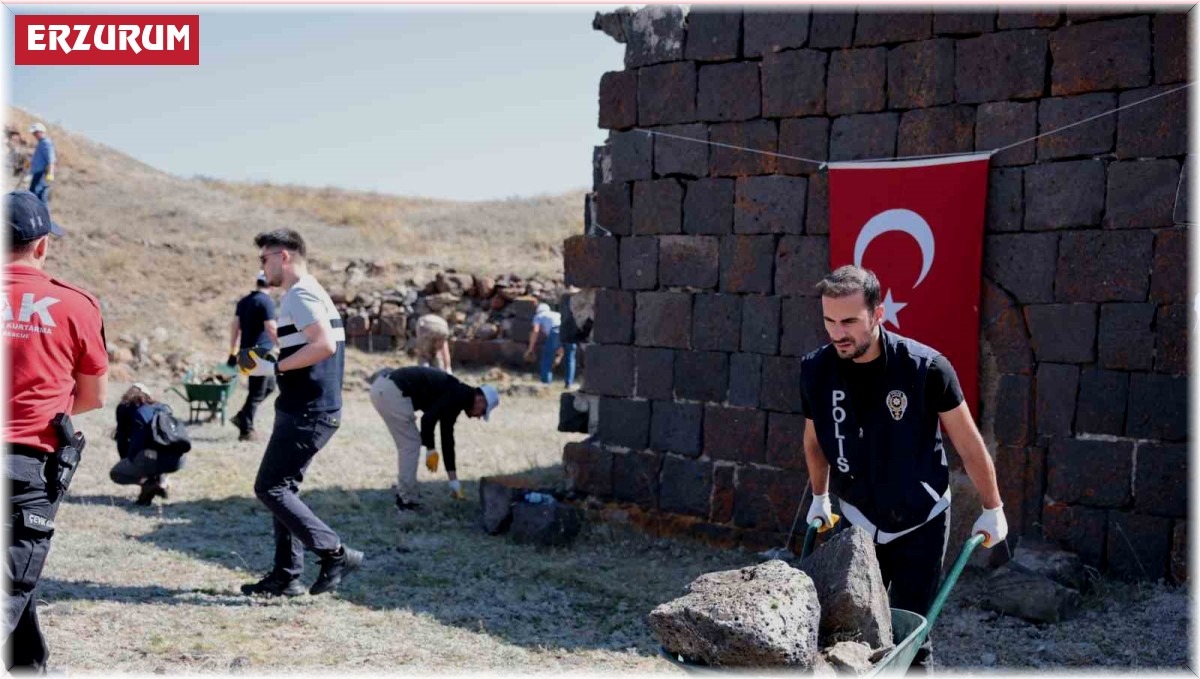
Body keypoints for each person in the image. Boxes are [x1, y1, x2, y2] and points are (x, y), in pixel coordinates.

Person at [800, 265, 1006, 668]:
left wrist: (992, 507)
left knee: (912, 637)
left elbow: (968, 444)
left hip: (920, 521)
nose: (837, 333)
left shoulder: (925, 368)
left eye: (849, 321)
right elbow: (814, 440)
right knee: (852, 634)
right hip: (856, 520)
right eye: (829, 321)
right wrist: (820, 497)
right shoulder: (816, 370)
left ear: (878, 315)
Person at [4, 190, 108, 672]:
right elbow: (93, 396)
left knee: (15, 580)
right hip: (27, 469)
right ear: (42, 245)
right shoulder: (75, 304)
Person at [239, 229, 362, 598]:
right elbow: (312, 344)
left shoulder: (301, 293)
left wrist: (278, 367)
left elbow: (323, 345)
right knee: (284, 488)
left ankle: (334, 553)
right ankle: (286, 575)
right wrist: (274, 360)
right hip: (310, 407)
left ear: (284, 256)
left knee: (270, 487)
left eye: (264, 259)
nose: (262, 267)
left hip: (308, 410)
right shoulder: (311, 291)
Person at [368, 366, 500, 510]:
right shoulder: (458, 395)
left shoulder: (458, 395)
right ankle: (406, 501)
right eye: (483, 412)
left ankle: (406, 496)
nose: (479, 417)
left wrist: (453, 482)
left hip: (384, 389)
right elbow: (427, 419)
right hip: (390, 392)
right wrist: (430, 449)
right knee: (410, 444)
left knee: (408, 444)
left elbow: (447, 439)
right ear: (480, 400)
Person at [111, 384, 188, 506]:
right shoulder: (162, 408)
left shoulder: (125, 408)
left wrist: (127, 461)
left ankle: (148, 483)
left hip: (147, 457)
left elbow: (123, 440)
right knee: (159, 451)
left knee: (116, 473)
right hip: (178, 460)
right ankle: (161, 483)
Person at [228, 271, 279, 441]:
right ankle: (246, 430)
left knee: (269, 386)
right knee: (257, 392)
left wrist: (233, 350)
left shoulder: (244, 301)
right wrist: (284, 344)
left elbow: (235, 327)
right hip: (260, 352)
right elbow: (271, 328)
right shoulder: (266, 302)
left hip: (245, 351)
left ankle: (242, 416)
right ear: (271, 284)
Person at [524, 302, 576, 387]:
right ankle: (569, 383)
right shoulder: (556, 314)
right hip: (570, 330)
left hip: (556, 331)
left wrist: (530, 348)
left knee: (547, 357)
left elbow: (535, 331)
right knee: (570, 358)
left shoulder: (539, 316)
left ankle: (546, 383)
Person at [28, 123, 55, 205]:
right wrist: (30, 164)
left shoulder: (46, 143)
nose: (34, 135)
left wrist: (50, 173)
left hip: (41, 174)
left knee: (37, 196)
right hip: (37, 173)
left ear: (41, 132)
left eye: (35, 133)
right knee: (35, 195)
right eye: (33, 133)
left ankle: (42, 217)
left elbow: (51, 159)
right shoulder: (40, 143)